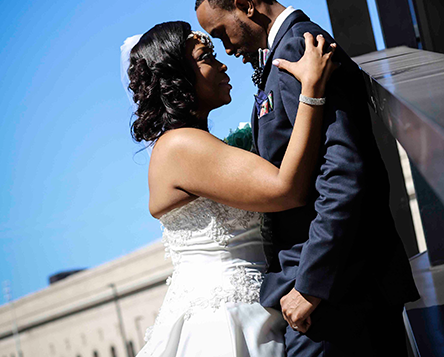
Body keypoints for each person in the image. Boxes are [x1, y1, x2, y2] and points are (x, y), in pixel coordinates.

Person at [195, 0, 420, 356]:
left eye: (222, 33)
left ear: (246, 5)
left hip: (338, 294)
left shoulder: (300, 47)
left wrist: (311, 284)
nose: (227, 50)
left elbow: (344, 173)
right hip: (339, 289)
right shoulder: (289, 51)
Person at [124, 20, 339, 356]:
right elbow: (287, 189)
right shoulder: (180, 146)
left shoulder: (194, 144)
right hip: (222, 322)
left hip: (259, 307)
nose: (223, 63)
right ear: (178, 76)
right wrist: (311, 90)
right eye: (206, 56)